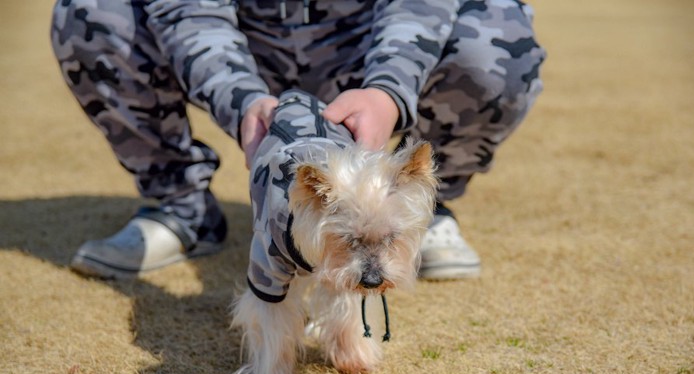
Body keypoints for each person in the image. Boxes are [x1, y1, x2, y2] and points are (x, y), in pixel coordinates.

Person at [50, 0, 545, 280]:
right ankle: (181, 208)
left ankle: (413, 209)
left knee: (498, 32)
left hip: (369, 42)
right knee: (92, 12)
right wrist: (240, 99)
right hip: (245, 46)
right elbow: (187, 11)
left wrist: (389, 89)